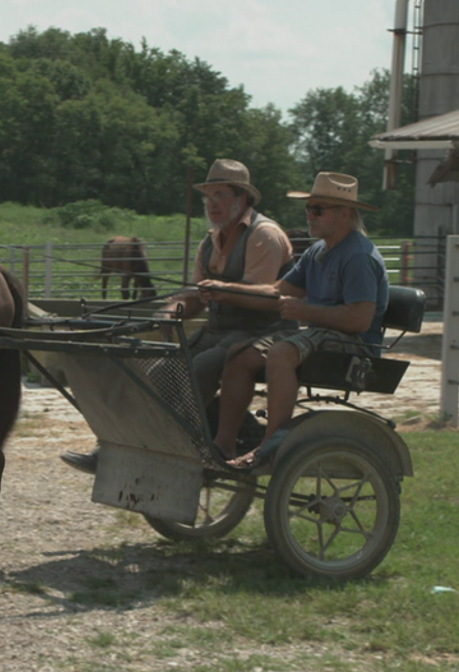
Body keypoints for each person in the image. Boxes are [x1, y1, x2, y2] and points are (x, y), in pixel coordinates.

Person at [61, 158, 295, 474]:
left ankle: (204, 444)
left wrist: (221, 289)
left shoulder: (263, 235)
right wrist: (170, 313)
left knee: (199, 367)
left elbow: (264, 296)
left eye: (220, 195)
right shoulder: (209, 243)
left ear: (242, 198)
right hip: (219, 333)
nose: (211, 204)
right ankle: (117, 447)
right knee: (153, 375)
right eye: (207, 197)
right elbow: (195, 297)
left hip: (260, 332)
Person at [211, 171, 389, 468]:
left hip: (356, 346)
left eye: (317, 209)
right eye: (308, 208)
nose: (310, 215)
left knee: (281, 353)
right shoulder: (318, 251)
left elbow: (360, 319)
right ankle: (223, 445)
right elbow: (277, 292)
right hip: (323, 335)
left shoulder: (358, 256)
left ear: (344, 214)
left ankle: (270, 448)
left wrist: (305, 312)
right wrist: (224, 291)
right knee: (239, 354)